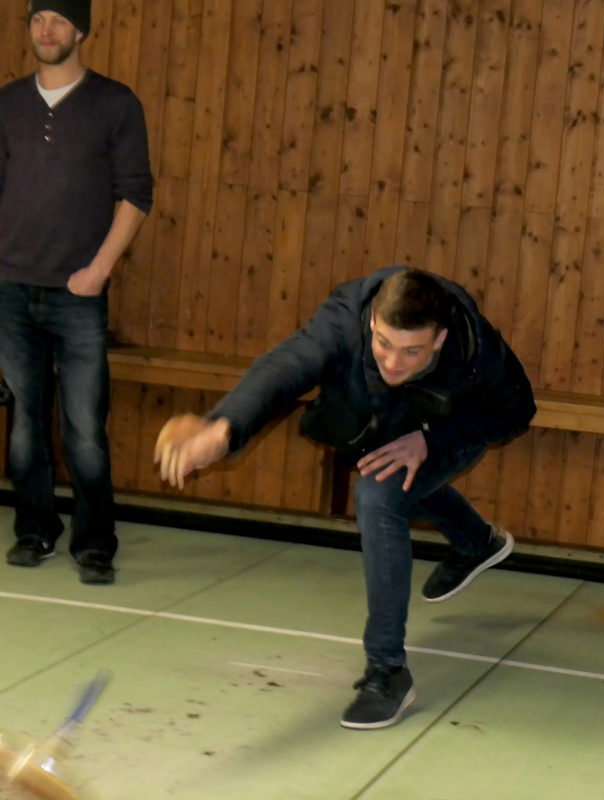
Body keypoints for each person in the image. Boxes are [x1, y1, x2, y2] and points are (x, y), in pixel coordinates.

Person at [155, 266, 535, 729]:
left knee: (377, 496)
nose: (392, 363)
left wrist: (432, 440)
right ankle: (477, 543)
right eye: (383, 344)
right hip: (381, 420)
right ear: (372, 322)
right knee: (393, 479)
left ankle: (388, 671)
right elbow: (284, 367)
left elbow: (516, 410)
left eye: (411, 352)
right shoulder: (343, 321)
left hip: (450, 427)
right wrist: (225, 428)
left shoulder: (476, 349)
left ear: (439, 340)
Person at [0, 0, 153, 585]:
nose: (46, 30)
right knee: (24, 425)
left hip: (79, 294)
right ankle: (34, 530)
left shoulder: (116, 104)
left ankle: (94, 543)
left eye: (59, 19)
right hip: (11, 289)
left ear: (80, 30)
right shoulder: (7, 103)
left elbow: (136, 194)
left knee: (85, 427)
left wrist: (100, 269)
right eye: (38, 18)